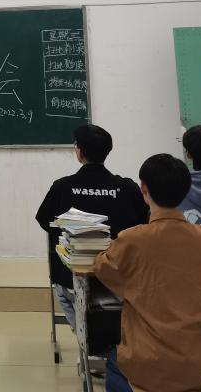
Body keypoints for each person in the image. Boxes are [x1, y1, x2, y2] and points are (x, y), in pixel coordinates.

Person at [94, 154, 201, 392]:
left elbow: (103, 268)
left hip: (153, 367)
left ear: (143, 188)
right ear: (186, 190)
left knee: (113, 362)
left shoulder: (131, 241)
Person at [34, 124, 148, 328]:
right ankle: (111, 338)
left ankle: (84, 335)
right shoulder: (128, 188)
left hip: (73, 278)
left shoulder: (62, 187)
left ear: (80, 153)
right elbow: (144, 224)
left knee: (64, 292)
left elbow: (45, 221)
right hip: (119, 278)